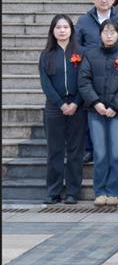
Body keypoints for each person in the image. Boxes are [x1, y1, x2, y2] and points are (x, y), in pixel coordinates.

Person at [78, 19, 118, 207]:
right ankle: (100, 191)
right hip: (96, 111)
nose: (109, 35)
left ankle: (114, 191)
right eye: (105, 32)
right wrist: (96, 103)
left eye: (112, 32)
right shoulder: (90, 54)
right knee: (100, 153)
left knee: (116, 153)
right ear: (100, 34)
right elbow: (84, 81)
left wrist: (115, 106)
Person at [39, 15, 85, 205]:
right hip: (54, 107)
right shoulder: (46, 54)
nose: (62, 30)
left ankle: (73, 191)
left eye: (65, 27)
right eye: (58, 27)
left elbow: (85, 80)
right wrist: (60, 104)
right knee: (55, 150)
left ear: (71, 30)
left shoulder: (81, 52)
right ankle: (54, 191)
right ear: (53, 30)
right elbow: (45, 83)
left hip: (77, 106)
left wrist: (75, 103)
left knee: (75, 151)